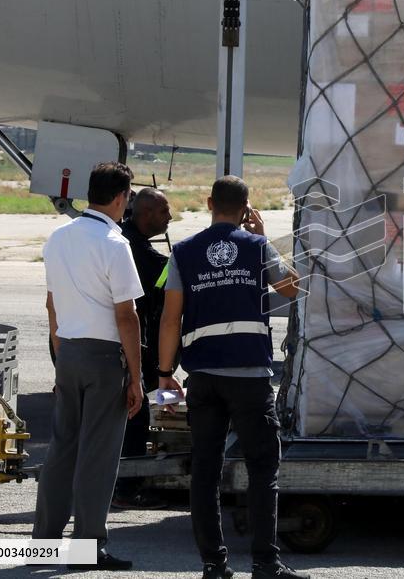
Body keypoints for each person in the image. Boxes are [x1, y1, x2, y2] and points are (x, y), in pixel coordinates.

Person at [157, 176, 307, 579]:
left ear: (209, 203)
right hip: (249, 378)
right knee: (262, 470)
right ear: (246, 208)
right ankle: (264, 563)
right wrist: (265, 239)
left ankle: (213, 564)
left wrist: (164, 372)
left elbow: (171, 318)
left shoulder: (184, 253)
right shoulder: (257, 248)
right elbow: (293, 289)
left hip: (203, 377)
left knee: (205, 473)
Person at [34, 162, 144, 570]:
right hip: (102, 358)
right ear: (119, 198)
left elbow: (51, 304)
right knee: (97, 455)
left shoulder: (59, 237)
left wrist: (61, 353)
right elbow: (126, 316)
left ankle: (44, 541)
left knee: (62, 449)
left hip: (69, 352)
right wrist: (136, 376)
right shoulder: (115, 244)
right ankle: (87, 547)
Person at [112, 187, 173, 509]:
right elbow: (164, 287)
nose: (170, 218)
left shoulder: (118, 238)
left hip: (102, 347)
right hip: (128, 346)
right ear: (146, 213)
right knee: (136, 415)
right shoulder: (141, 254)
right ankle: (128, 488)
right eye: (164, 212)